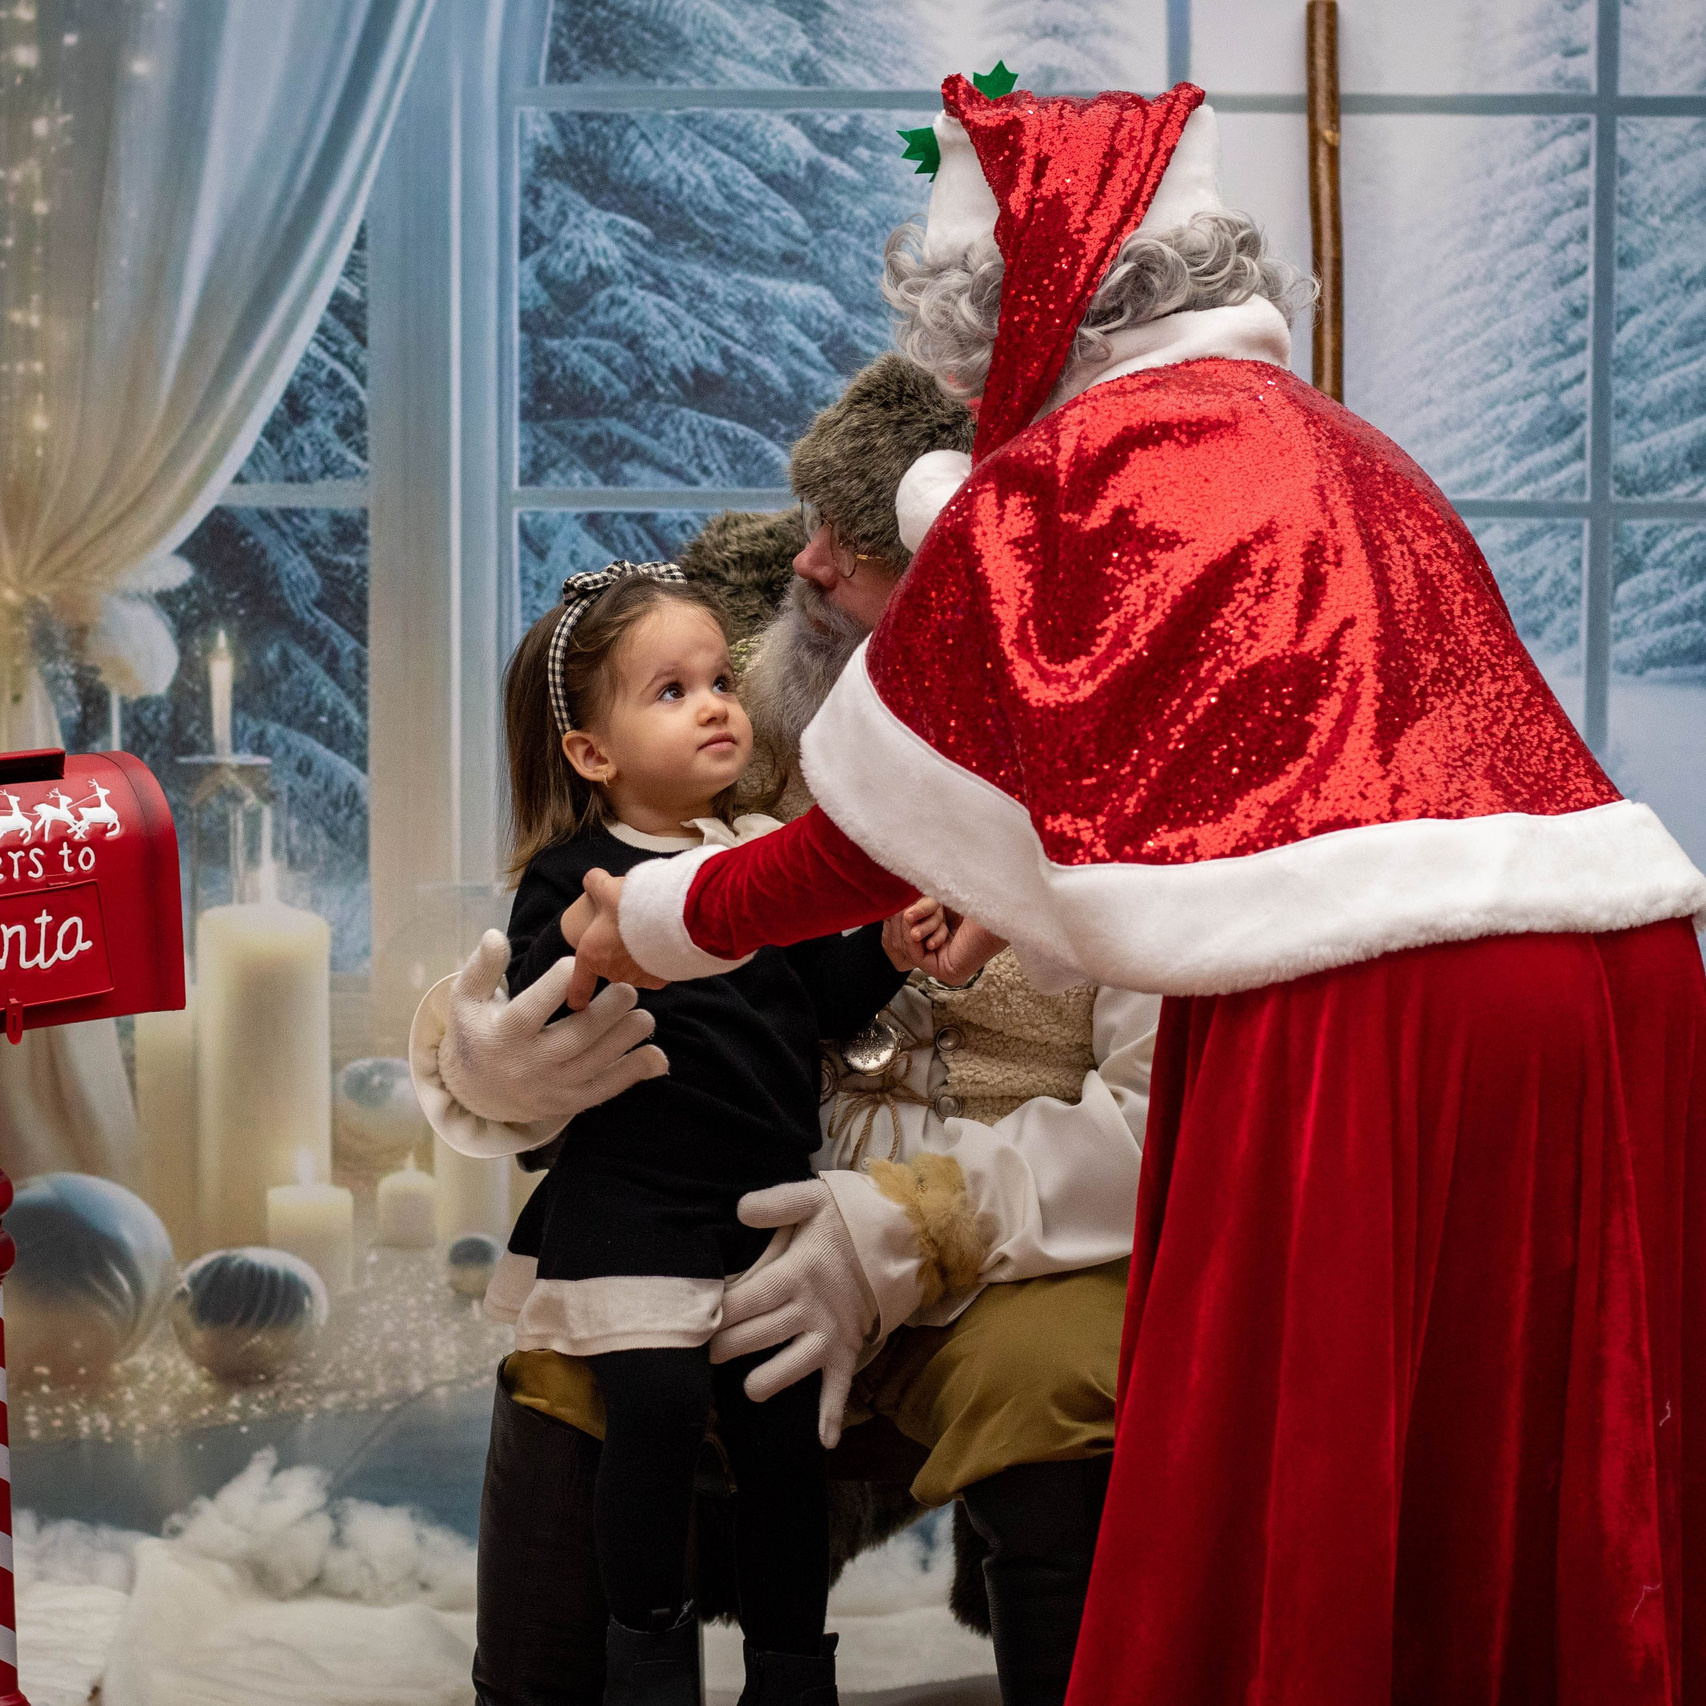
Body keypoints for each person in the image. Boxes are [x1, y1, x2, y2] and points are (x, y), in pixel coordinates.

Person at [555, 74, 1706, 1706]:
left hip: (1365, 1004)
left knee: (1290, 1505)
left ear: (1026, 311)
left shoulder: (1076, 485)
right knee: (1508, 1498)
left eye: (968, 354)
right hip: (1610, 974)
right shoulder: (1343, 452)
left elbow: (871, 841)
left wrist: (659, 919)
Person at [413, 356, 1161, 1706]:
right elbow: (560, 903)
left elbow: (1159, 1115)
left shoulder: (1131, 747)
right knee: (579, 1363)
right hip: (712, 1205)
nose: (809, 566)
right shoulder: (737, 684)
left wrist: (910, 1223)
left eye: (859, 545)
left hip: (1007, 1237)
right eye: (810, 522)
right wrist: (486, 1062)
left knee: (1060, 1387)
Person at [482, 559, 956, 1706]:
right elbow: (540, 1027)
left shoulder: (759, 856)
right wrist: (585, 969)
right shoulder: (571, 880)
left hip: (760, 1206)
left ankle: (791, 1667)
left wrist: (883, 950)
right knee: (652, 1410)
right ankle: (645, 1656)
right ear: (590, 753)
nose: (714, 704)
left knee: (787, 1441)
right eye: (670, 690)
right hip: (633, 1205)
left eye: (718, 680)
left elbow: (809, 1006)